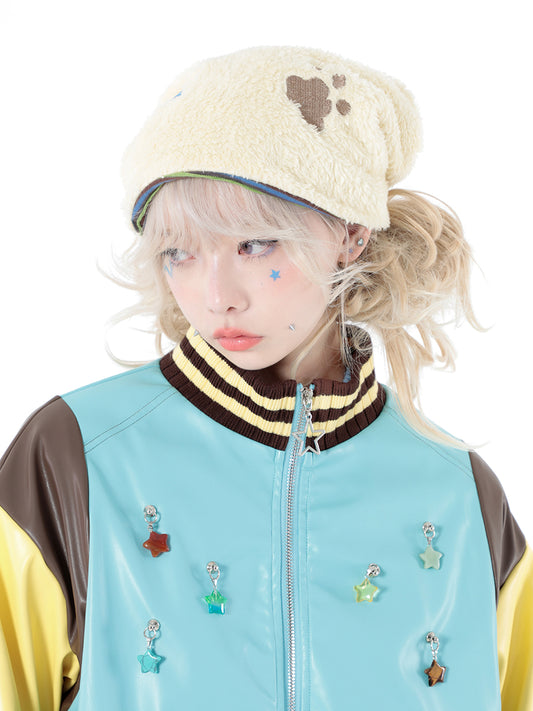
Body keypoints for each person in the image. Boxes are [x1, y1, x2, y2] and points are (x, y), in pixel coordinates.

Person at [0, 46, 531, 711]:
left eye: (255, 243)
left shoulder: (457, 489)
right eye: (179, 252)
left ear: (351, 234)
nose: (216, 296)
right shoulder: (75, 454)